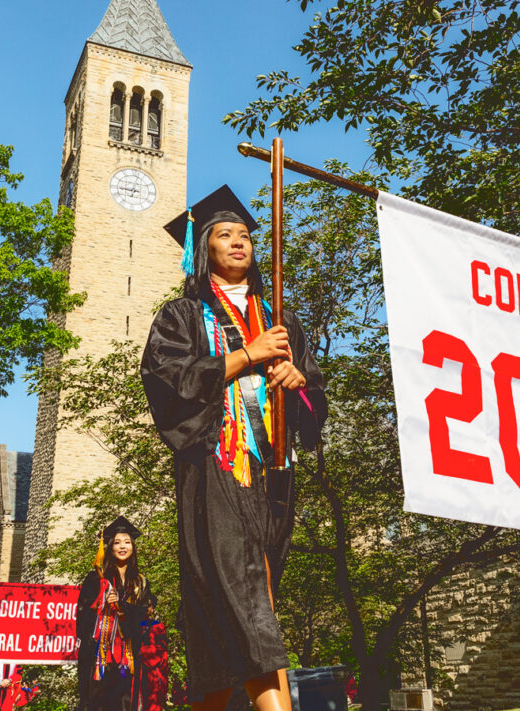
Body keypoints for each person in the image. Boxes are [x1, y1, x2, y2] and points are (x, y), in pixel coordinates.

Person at [142, 185, 327, 711]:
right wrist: (248, 355)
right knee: (249, 596)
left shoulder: (281, 319)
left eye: (245, 234)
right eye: (225, 235)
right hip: (217, 466)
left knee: (223, 607)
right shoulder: (182, 315)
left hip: (273, 473)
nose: (239, 242)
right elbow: (168, 379)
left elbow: (315, 402)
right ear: (204, 249)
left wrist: (297, 383)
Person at [76, 516, 155, 711]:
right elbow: (82, 613)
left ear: (133, 547)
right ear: (110, 547)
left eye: (127, 542)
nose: (122, 547)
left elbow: (144, 614)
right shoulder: (96, 578)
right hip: (99, 656)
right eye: (117, 542)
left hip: (128, 655)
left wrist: (121, 606)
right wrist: (101, 602)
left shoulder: (140, 582)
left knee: (125, 702)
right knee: (97, 702)